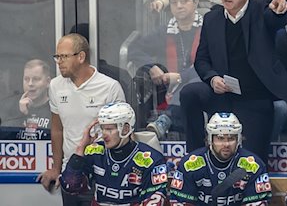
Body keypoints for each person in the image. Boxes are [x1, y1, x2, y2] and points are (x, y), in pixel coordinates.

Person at [180, 0, 287, 163]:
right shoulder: (212, 19)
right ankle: (194, 158)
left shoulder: (262, 12)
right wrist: (212, 78)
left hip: (254, 100)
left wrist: (282, 6)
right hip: (222, 94)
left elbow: (279, 13)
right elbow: (201, 59)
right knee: (189, 93)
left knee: (251, 163)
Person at [37, 33, 126, 206]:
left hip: (103, 174)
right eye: (57, 56)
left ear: (81, 57)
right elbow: (57, 129)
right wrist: (56, 168)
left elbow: (122, 135)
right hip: (70, 172)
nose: (59, 61)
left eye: (63, 56)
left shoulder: (110, 87)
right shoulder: (55, 86)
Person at [129, 0, 203, 139]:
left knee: (201, 71)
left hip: (203, 88)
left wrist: (181, 77)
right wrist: (151, 66)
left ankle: (167, 118)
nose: (179, 6)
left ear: (196, 2)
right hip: (170, 90)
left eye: (184, 1)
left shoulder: (208, 28)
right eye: (174, 2)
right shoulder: (164, 32)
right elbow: (133, 49)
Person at [59, 102, 167, 205]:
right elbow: (70, 186)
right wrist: (80, 149)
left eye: (109, 129)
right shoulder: (95, 151)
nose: (104, 135)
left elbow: (154, 201)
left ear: (125, 129)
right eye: (103, 129)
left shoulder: (152, 160)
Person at [169, 112, 271, 205]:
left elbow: (258, 202)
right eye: (220, 138)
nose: (226, 144)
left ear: (238, 139)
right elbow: (180, 202)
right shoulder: (189, 165)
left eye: (231, 138)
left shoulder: (254, 166)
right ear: (210, 139)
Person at [0, 59, 51, 129]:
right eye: (26, 79)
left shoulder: (54, 110)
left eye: (36, 79)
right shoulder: (11, 107)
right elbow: (6, 135)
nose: (30, 84)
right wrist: (21, 114)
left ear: (48, 82)